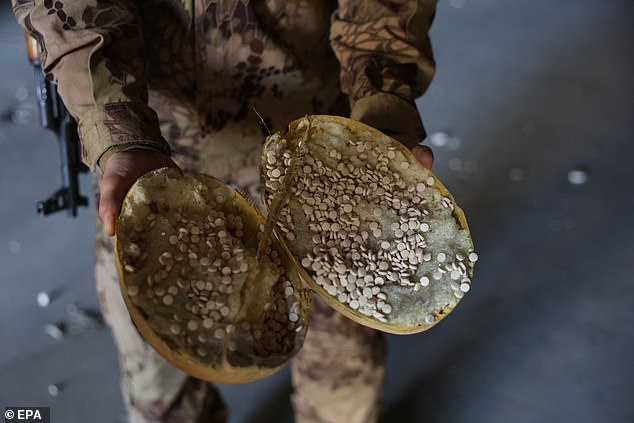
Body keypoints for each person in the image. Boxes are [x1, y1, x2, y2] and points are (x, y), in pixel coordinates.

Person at [13, 1, 437, 422]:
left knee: (343, 367)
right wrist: (119, 133)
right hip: (153, 150)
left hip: (318, 151)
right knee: (161, 374)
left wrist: (381, 101)